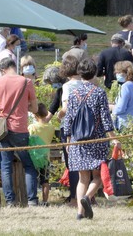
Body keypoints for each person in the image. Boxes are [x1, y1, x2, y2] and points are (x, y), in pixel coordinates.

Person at [0, 57, 39, 207]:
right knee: (28, 165)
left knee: (6, 165)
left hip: (3, 129)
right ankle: (32, 200)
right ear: (14, 66)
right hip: (20, 129)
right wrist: (24, 107)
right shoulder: (26, 82)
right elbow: (35, 109)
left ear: (2, 70)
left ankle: (10, 201)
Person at [63, 59, 120, 220]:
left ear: (80, 74)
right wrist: (113, 138)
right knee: (98, 176)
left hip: (78, 140)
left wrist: (68, 139)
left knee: (82, 178)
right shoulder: (99, 93)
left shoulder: (73, 94)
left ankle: (80, 213)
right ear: (94, 73)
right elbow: (106, 119)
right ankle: (87, 197)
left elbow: (69, 119)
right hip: (97, 140)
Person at [57, 56, 83, 205]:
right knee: (85, 163)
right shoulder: (87, 84)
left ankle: (74, 197)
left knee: (72, 164)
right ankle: (87, 196)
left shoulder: (67, 86)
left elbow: (66, 108)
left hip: (69, 127)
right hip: (84, 127)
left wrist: (59, 115)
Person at [28, 104, 55, 205]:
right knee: (45, 180)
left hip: (34, 157)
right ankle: (45, 201)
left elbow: (29, 138)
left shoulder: (32, 127)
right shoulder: (51, 127)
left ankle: (33, 198)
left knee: (33, 178)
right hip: (45, 157)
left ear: (35, 116)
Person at [111, 60, 133, 130]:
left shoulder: (126, 86)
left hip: (125, 123)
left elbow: (121, 108)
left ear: (126, 73)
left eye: (119, 72)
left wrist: (111, 107)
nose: (116, 74)